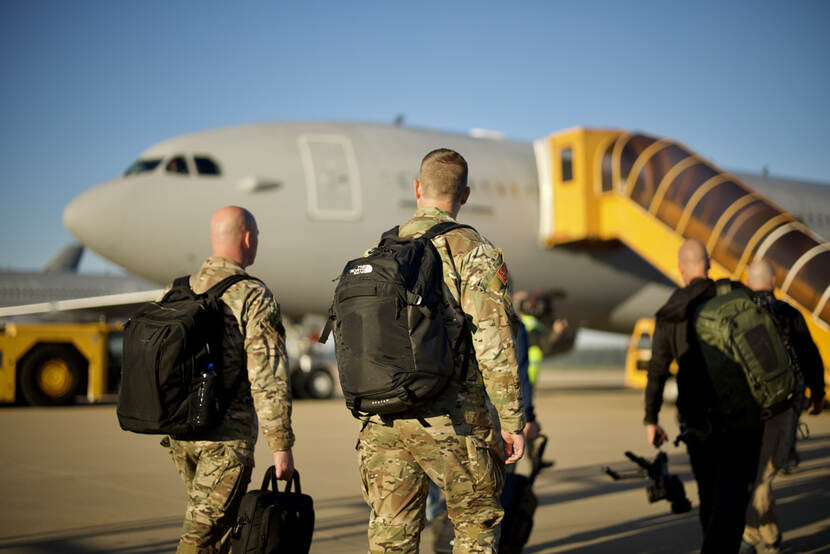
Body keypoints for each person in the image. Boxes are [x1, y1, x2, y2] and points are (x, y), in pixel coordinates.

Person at [357, 148, 526, 553]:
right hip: (454, 421)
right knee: (474, 530)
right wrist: (512, 420)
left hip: (384, 419)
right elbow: (494, 344)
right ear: (464, 195)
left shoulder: (376, 252)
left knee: (390, 539)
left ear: (417, 189)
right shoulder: (472, 251)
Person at [163, 206, 295, 554]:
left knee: (217, 533)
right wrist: (281, 446)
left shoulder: (176, 290)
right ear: (248, 238)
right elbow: (268, 375)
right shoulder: (253, 295)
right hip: (226, 440)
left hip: (181, 435)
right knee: (199, 540)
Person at [644, 238, 763, 554]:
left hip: (698, 419)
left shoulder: (671, 310)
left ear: (682, 269)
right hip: (743, 416)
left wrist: (651, 418)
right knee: (736, 496)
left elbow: (657, 367)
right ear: (708, 264)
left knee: (710, 494)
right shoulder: (734, 295)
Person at [740, 260, 825, 554]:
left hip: (746, 408)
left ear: (748, 283)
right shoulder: (789, 314)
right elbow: (810, 357)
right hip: (784, 407)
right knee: (765, 475)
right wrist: (818, 393)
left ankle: (760, 535)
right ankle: (760, 535)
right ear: (774, 282)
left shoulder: (738, 316)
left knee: (756, 474)